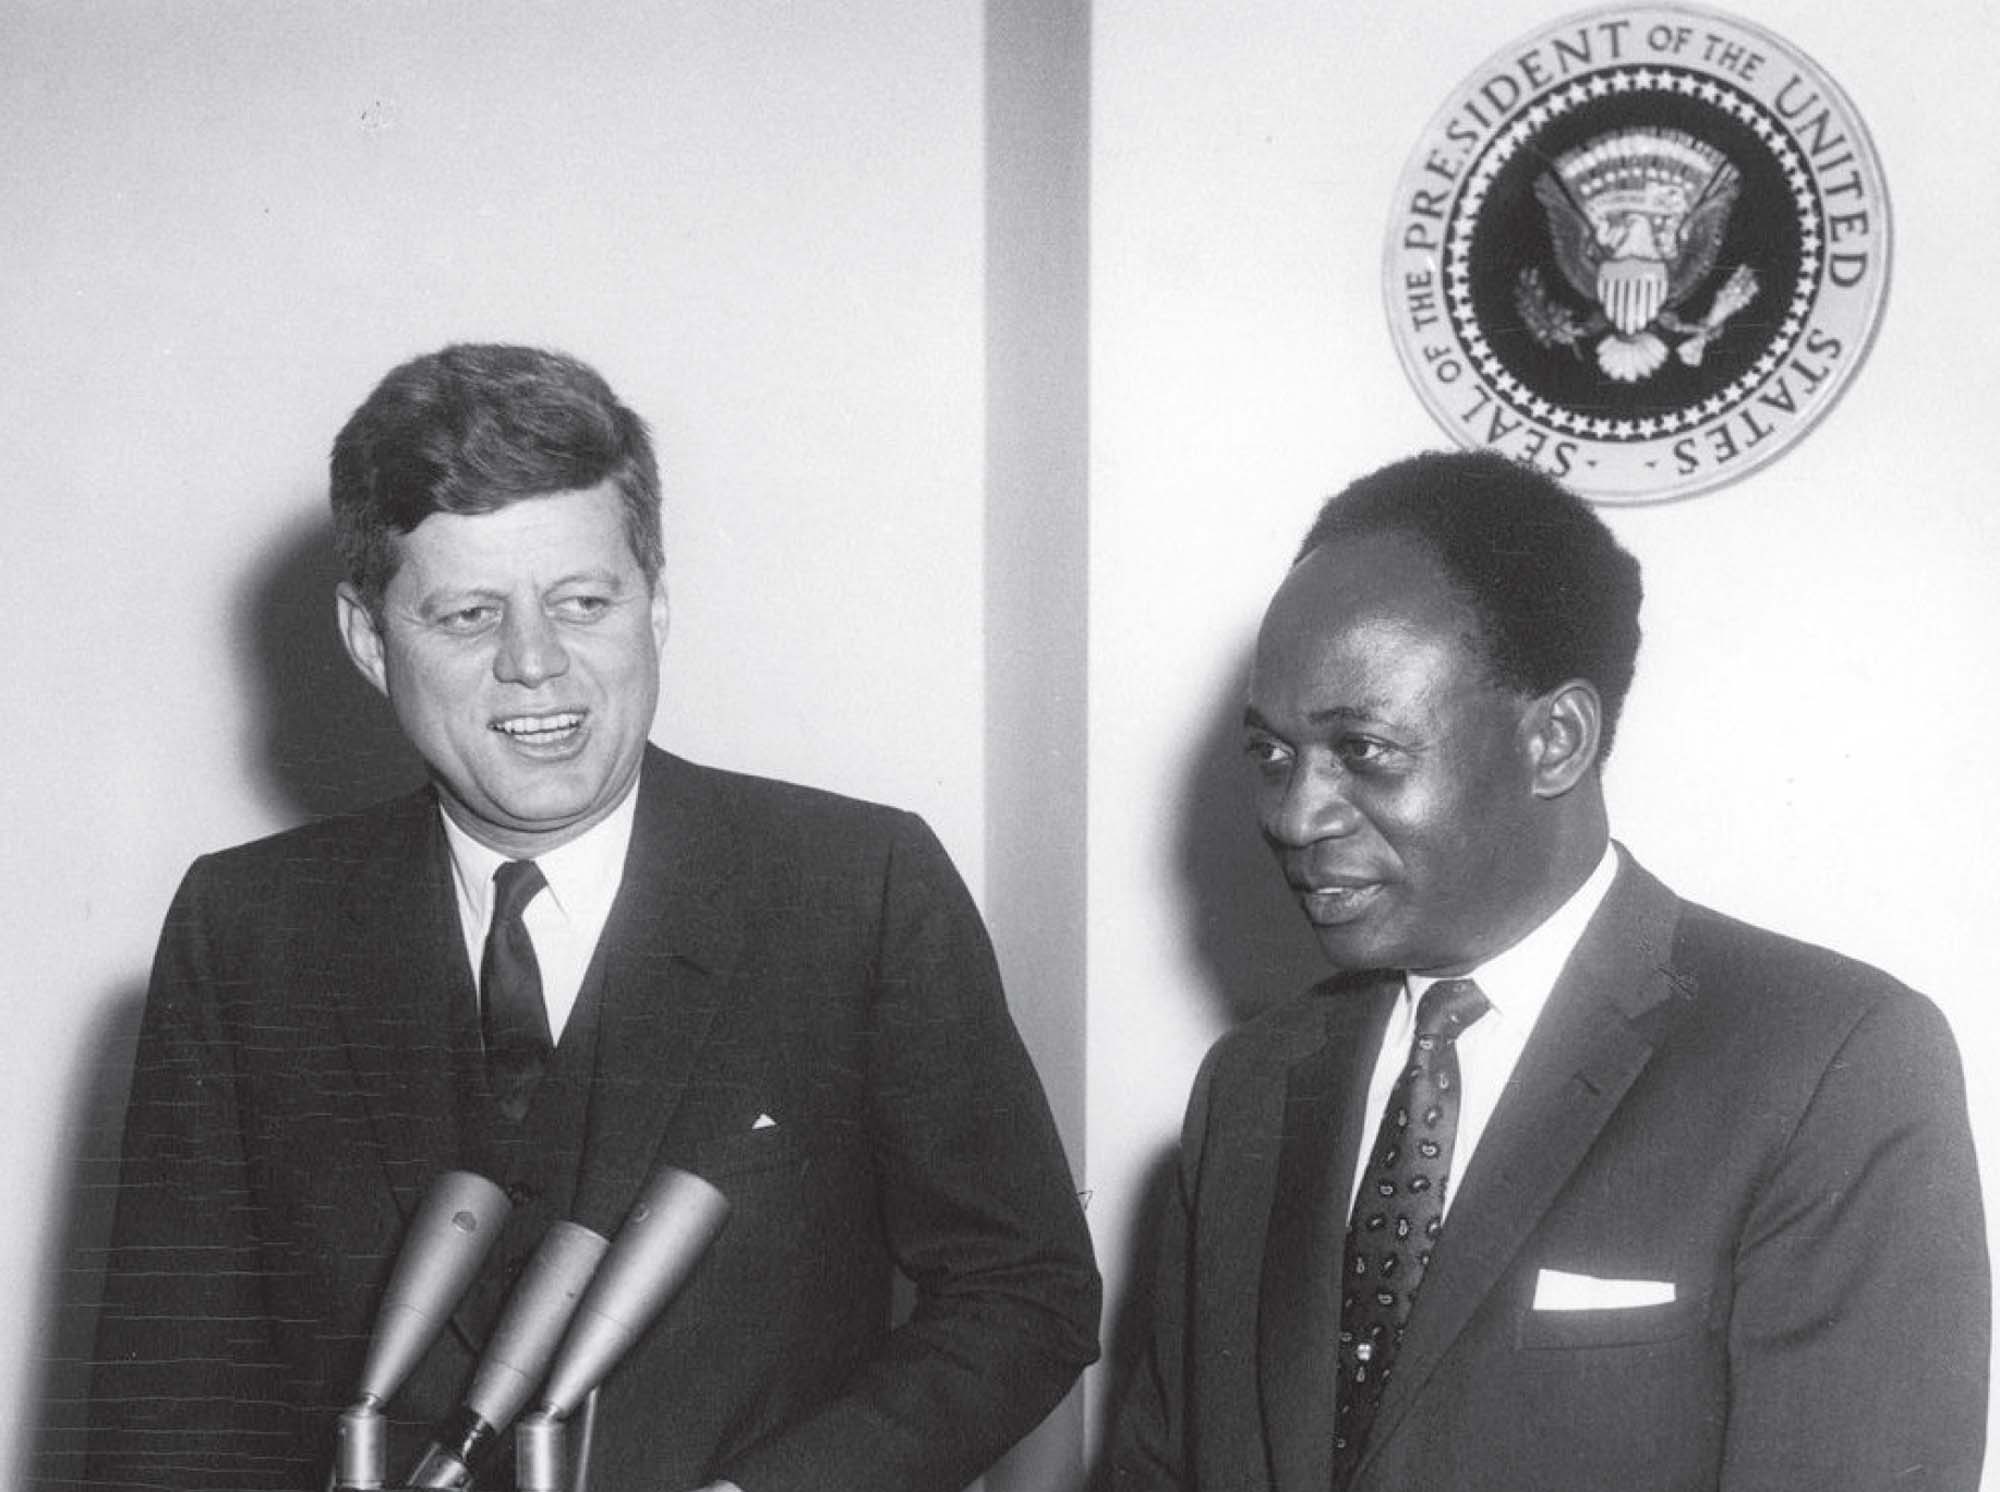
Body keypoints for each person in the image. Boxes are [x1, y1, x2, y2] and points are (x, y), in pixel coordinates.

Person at [85, 343, 1099, 1492]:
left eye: (581, 601)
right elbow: (163, 1406)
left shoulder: (855, 887)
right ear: (370, 639)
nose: (536, 663)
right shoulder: (245, 931)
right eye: (468, 614)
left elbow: (1026, 1294)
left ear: (654, 603)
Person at [1109, 450, 1987, 1492]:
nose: (1295, 816)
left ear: (1554, 740)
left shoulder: (1826, 1064)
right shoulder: (1250, 1084)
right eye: (1271, 755)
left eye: (1364, 750)